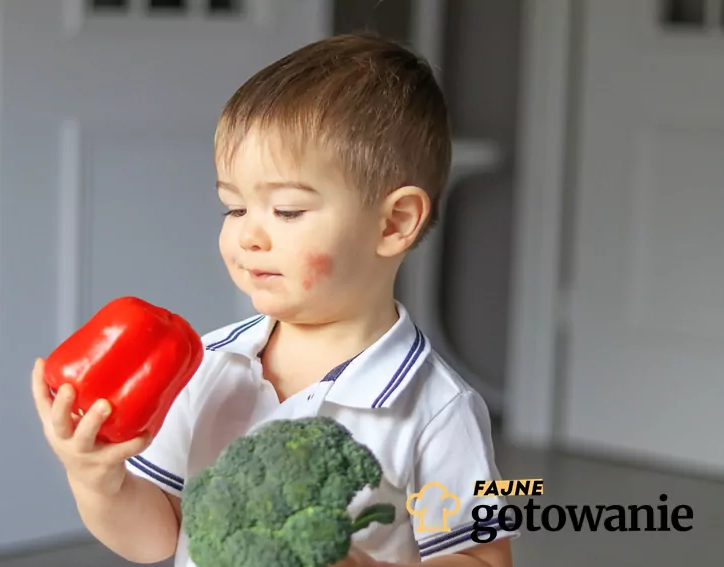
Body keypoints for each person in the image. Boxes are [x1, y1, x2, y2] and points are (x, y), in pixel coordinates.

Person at [31, 33, 517, 567]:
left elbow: (485, 560)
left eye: (286, 211)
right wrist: (98, 481)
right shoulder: (205, 366)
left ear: (394, 222)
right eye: (234, 209)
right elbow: (156, 538)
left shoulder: (441, 409)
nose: (248, 236)